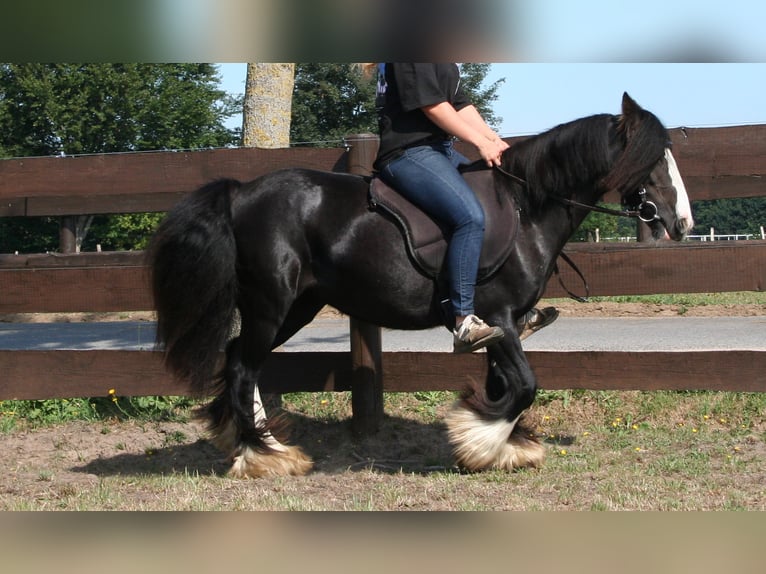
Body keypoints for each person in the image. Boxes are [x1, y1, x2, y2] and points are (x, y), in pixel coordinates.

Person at [371, 63, 509, 353]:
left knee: (502, 193)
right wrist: (478, 142)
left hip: (441, 151)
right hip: (408, 152)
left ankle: (510, 305)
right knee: (469, 217)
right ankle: (462, 322)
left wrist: (494, 140)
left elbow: (460, 105)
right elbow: (432, 106)